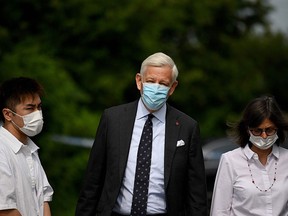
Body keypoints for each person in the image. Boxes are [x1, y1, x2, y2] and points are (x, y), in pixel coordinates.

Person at [75, 52, 208, 216]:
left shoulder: (187, 127)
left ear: (172, 88)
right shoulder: (113, 119)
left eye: (163, 83)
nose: (156, 88)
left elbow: (196, 192)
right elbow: (93, 180)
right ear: (139, 81)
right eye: (151, 81)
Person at [210, 95, 288, 215]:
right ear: (247, 129)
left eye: (269, 130)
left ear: (278, 128)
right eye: (257, 130)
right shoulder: (230, 160)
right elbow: (220, 210)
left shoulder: (286, 159)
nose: (264, 136)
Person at [0, 77, 54, 216]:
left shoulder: (30, 149)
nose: (37, 113)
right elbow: (5, 210)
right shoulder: (2, 149)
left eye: (39, 107)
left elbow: (44, 201)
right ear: (8, 114)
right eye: (30, 108)